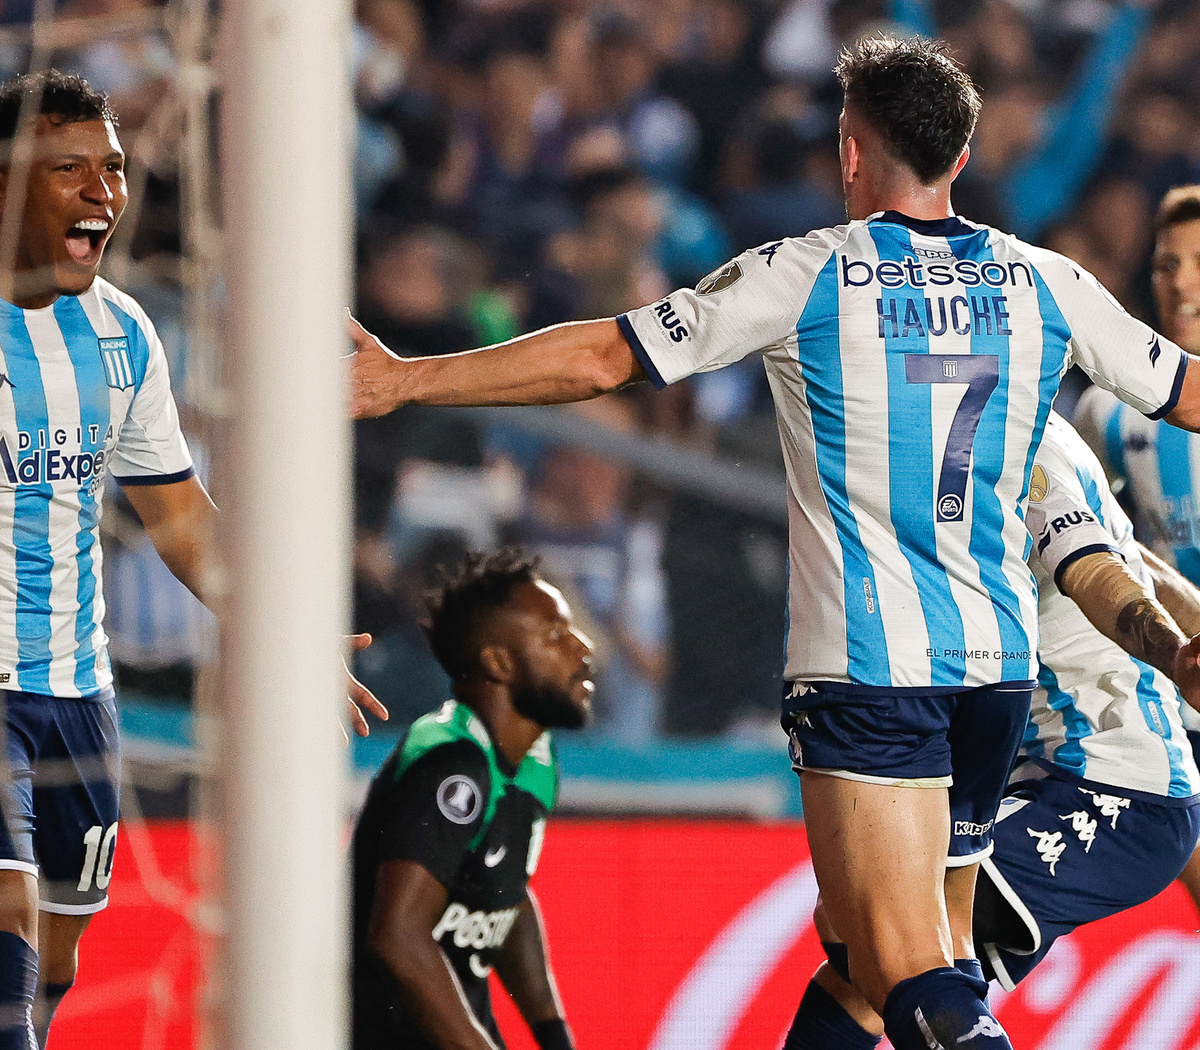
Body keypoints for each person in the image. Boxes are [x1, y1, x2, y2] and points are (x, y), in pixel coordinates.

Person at [349, 35, 1200, 1050]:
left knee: (903, 967)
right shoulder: (1048, 285)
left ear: (850, 150)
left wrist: (411, 377)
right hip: (996, 681)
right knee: (893, 954)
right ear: (962, 160)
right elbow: (1188, 391)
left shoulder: (808, 275)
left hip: (871, 676)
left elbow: (600, 359)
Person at [0, 70, 386, 1049]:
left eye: (115, 169)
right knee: (6, 919)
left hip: (78, 695)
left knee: (51, 960)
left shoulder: (123, 335)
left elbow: (179, 522)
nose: (104, 192)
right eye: (69, 169)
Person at [784, 412, 1200, 1046]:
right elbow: (1130, 556)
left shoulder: (1005, 440)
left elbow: (1090, 567)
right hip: (1052, 769)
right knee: (869, 973)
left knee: (880, 937)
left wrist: (1173, 652)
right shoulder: (1007, 423)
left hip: (1112, 784)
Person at [351, 549, 591, 1050]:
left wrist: (553, 1035)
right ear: (497, 662)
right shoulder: (451, 763)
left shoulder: (536, 759)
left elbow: (503, 896)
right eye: (554, 634)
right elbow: (396, 939)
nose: (582, 647)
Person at [1074, 184, 1200, 911]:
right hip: (1177, 705)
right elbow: (1082, 523)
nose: (1179, 281)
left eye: (1196, 262)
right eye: (1164, 264)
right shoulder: (1112, 409)